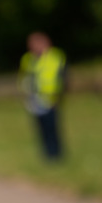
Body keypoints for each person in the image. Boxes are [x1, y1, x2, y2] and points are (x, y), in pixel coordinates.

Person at [18, 32, 67, 160]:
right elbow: (25, 78)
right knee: (40, 129)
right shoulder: (28, 59)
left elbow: (63, 78)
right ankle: (46, 155)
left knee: (53, 128)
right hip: (35, 100)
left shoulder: (56, 57)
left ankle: (57, 155)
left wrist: (59, 97)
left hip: (52, 99)